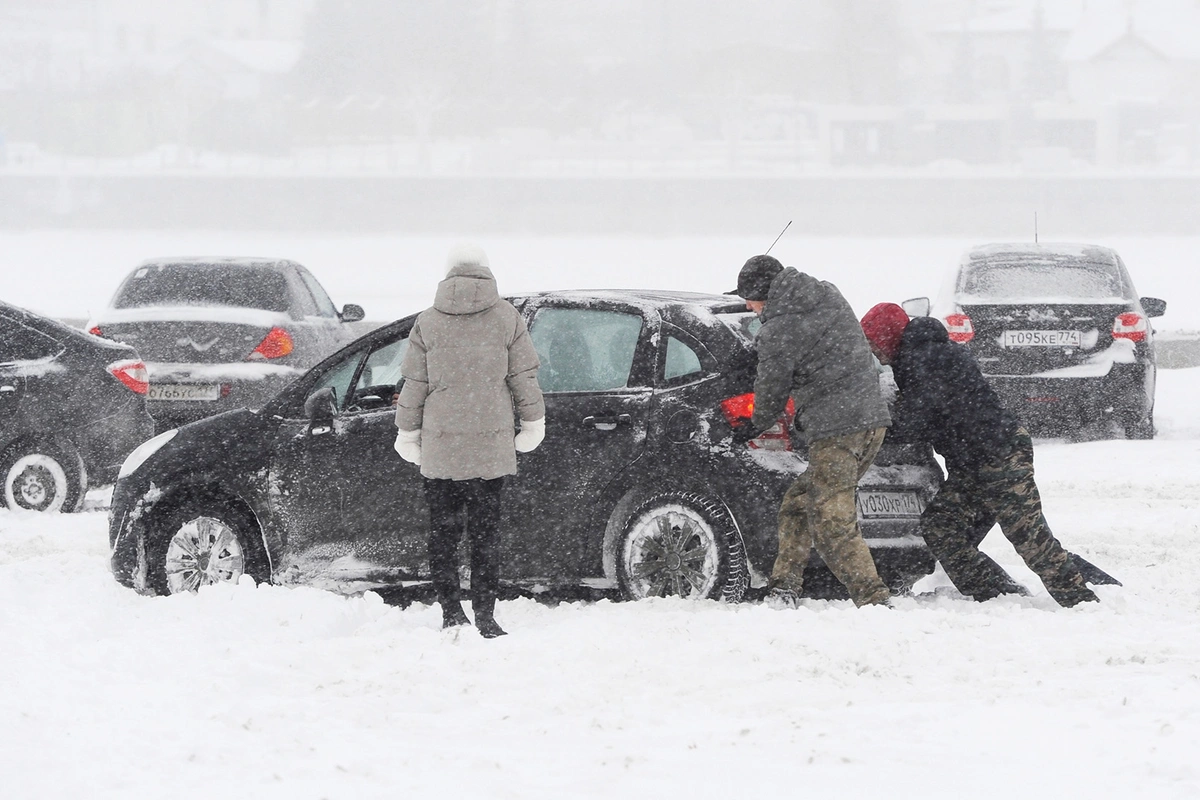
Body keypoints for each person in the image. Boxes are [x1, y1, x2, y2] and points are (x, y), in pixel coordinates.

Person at [858, 302, 1099, 608]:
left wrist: (873, 429)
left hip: (998, 454)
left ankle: (1085, 602)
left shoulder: (925, 358)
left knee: (1029, 537)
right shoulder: (919, 355)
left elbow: (916, 419)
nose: (873, 351)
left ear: (888, 335)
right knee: (941, 527)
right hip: (972, 462)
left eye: (873, 343)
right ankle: (997, 593)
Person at [393, 243, 545, 637]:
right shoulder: (507, 318)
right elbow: (523, 378)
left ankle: (450, 612)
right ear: (486, 270)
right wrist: (532, 423)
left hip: (441, 447)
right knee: (485, 535)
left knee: (443, 534)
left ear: (448, 273)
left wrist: (407, 431)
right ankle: (486, 616)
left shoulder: (428, 321)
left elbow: (414, 384)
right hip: (489, 448)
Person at [734, 254, 893, 608]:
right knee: (799, 504)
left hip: (837, 429)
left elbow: (772, 387)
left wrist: (754, 423)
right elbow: (819, 347)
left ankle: (874, 600)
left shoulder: (779, 327)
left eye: (749, 298)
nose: (747, 306)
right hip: (872, 422)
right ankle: (783, 586)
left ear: (763, 293)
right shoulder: (827, 295)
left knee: (830, 521)